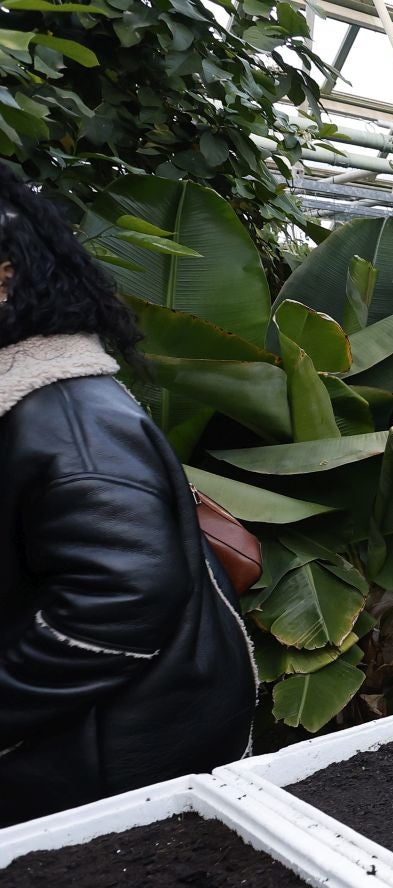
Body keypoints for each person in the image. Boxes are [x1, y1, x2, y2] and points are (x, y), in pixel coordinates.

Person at [0, 165, 254, 825]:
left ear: (4, 275)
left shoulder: (69, 424)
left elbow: (119, 599)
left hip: (104, 763)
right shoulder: (44, 404)